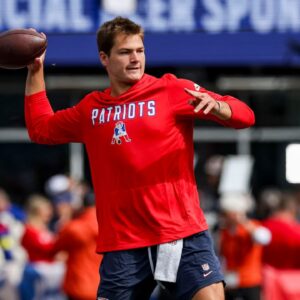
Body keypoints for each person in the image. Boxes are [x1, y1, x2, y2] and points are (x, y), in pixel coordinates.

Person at [24, 17, 255, 300]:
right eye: (125, 52)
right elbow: (40, 129)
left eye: (140, 51)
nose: (135, 59)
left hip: (180, 233)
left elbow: (245, 115)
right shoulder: (91, 110)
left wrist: (220, 107)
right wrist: (35, 70)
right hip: (123, 245)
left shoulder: (171, 90)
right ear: (104, 58)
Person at [218, 192, 271, 300]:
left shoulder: (252, 227)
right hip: (231, 281)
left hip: (250, 281)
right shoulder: (224, 231)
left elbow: (264, 238)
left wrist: (243, 221)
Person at [53, 191, 102, 300]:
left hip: (77, 286)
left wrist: (65, 218)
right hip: (103, 286)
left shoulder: (73, 228)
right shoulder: (109, 227)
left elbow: (54, 249)